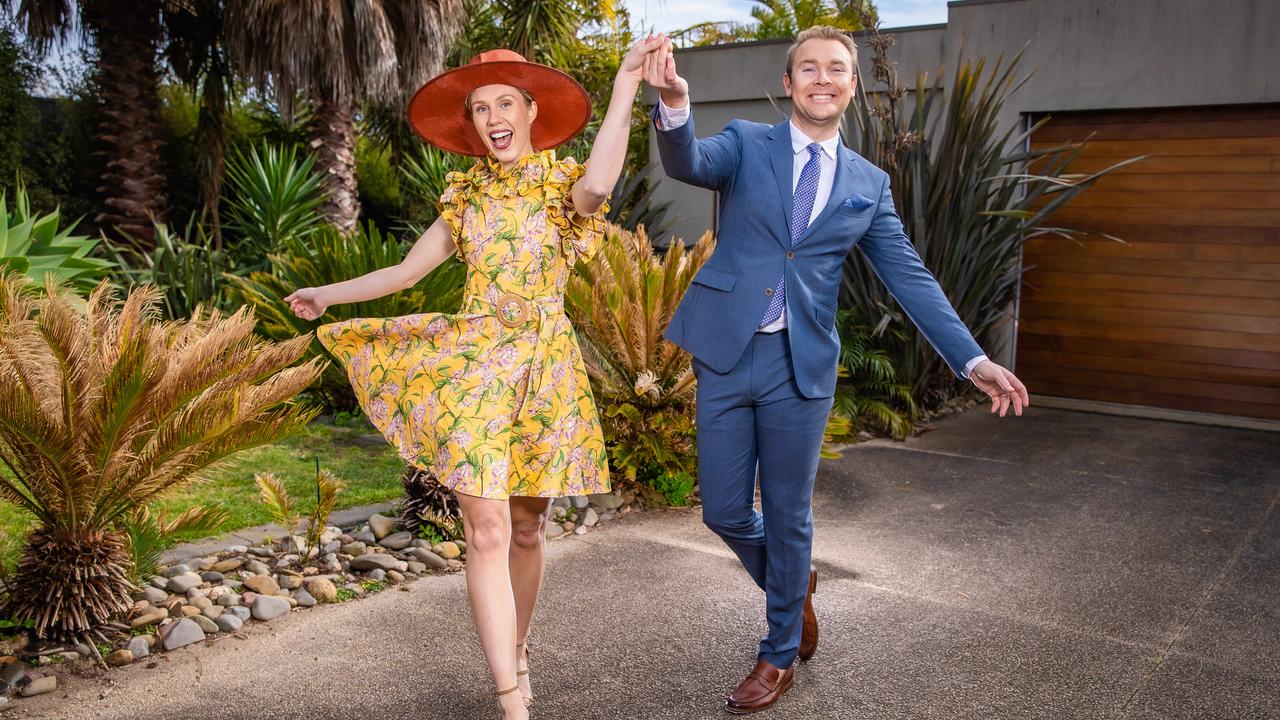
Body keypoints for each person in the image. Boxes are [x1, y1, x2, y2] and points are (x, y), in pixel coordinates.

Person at [643, 25, 1030, 714]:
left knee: (789, 514)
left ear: (851, 85)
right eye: (809, 68)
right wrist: (675, 102)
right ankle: (794, 589)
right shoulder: (744, 142)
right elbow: (687, 163)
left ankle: (779, 650)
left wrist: (970, 356)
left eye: (838, 69)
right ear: (788, 83)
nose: (824, 78)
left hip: (802, 367)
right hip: (729, 354)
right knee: (725, 510)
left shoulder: (867, 184)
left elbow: (909, 277)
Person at [285, 35, 668, 720]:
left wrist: (625, 87)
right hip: (473, 366)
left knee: (527, 528)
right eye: (479, 106)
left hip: (544, 370)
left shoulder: (559, 189)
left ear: (529, 112)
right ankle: (510, 698)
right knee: (485, 526)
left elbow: (601, 187)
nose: (492, 116)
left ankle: (516, 648)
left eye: (504, 103)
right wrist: (328, 295)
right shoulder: (463, 199)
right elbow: (404, 273)